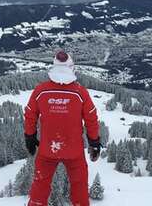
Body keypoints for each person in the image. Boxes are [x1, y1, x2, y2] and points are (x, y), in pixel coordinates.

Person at [24, 50, 101, 206]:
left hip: (47, 149)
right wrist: (94, 142)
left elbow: (30, 114)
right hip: (74, 151)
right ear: (71, 68)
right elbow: (91, 119)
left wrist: (30, 137)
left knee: (40, 186)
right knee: (79, 187)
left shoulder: (41, 91)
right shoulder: (80, 92)